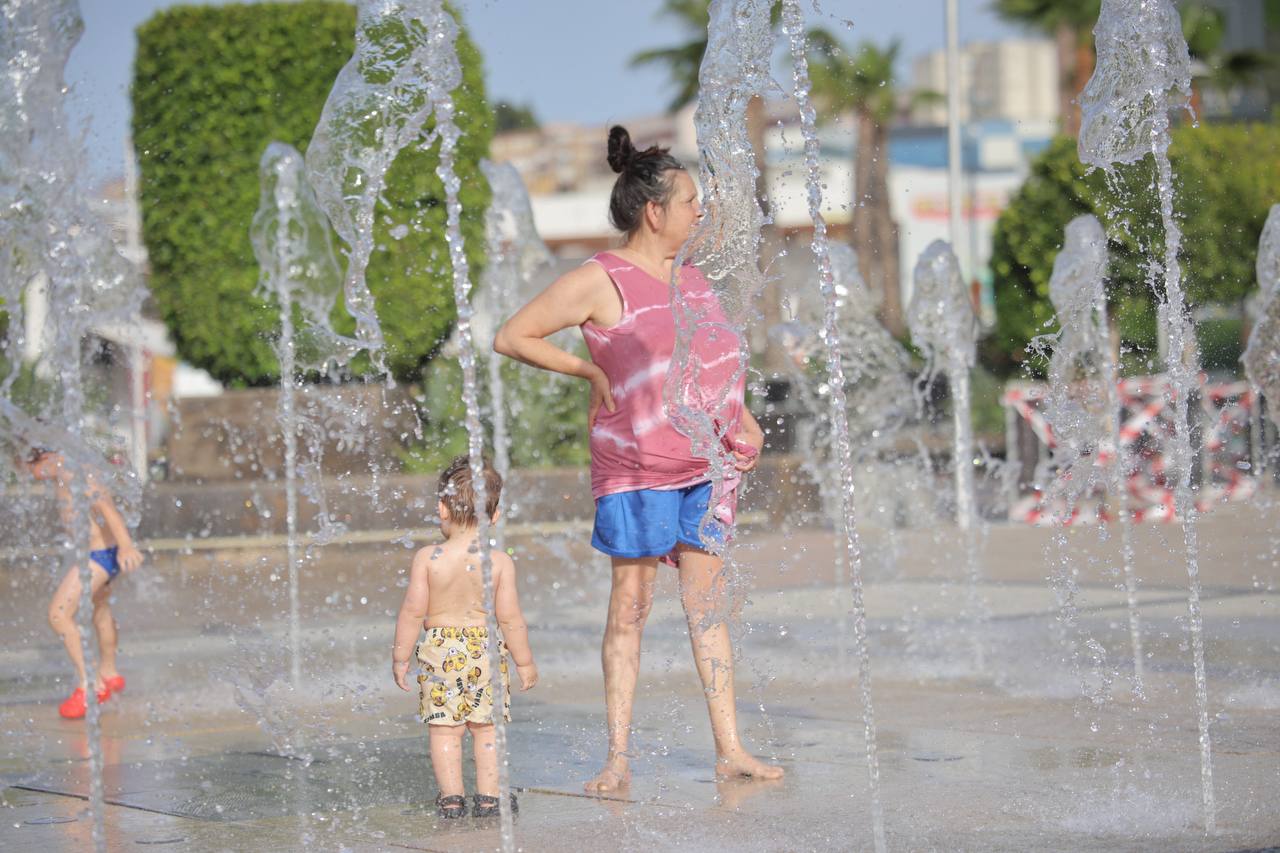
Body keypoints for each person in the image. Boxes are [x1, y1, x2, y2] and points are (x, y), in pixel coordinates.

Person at [494, 125, 783, 793]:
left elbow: (710, 359)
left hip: (708, 467)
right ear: (654, 211)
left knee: (707, 605)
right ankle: (618, 758)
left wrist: (742, 418)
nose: (700, 211)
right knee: (632, 605)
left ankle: (730, 748)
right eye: (690, 202)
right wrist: (588, 372)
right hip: (637, 470)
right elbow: (513, 335)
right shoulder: (602, 279)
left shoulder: (693, 280)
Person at [392, 455, 538, 819]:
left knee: (445, 731)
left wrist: (400, 656)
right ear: (495, 516)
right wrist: (524, 662)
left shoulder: (428, 558)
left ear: (442, 509)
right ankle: (489, 799)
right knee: (486, 729)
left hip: (439, 651)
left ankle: (451, 799)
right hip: (484, 651)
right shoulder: (499, 562)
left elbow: (412, 612)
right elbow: (510, 618)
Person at [18, 446, 143, 719]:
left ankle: (90, 685)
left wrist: (126, 546)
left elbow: (105, 507)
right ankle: (109, 673)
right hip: (104, 553)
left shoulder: (71, 470)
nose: (29, 474)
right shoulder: (70, 467)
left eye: (29, 468)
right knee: (100, 611)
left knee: (59, 615)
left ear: (45, 458)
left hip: (99, 556)